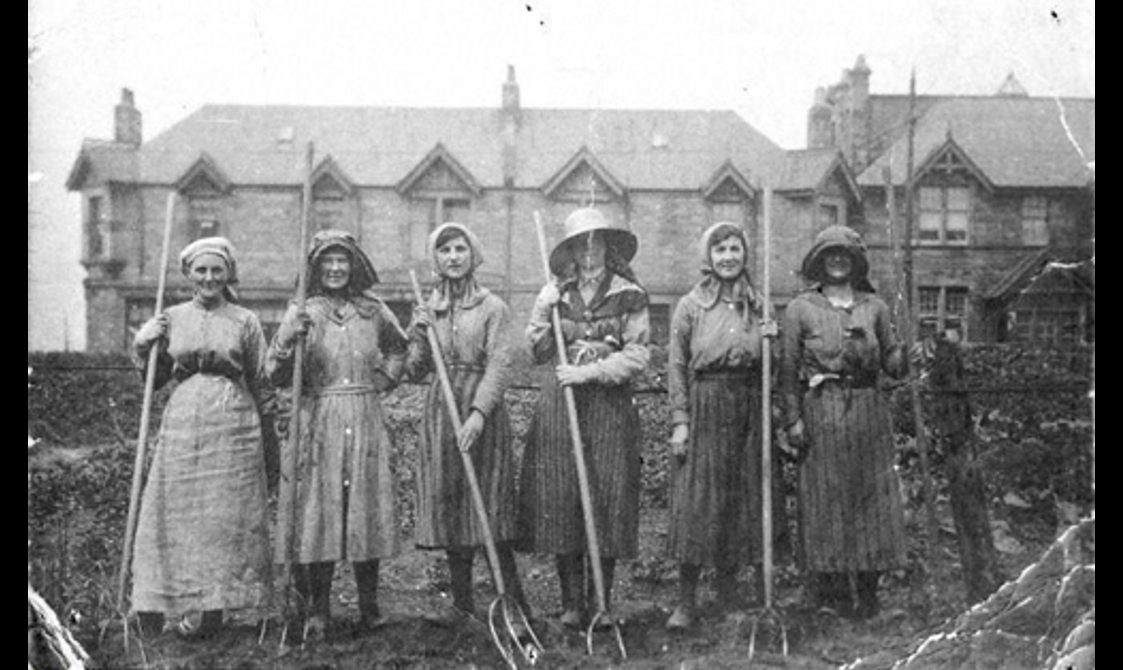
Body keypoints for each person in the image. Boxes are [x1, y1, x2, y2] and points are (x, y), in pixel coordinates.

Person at [130, 236, 274, 640]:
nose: (209, 278)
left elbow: (261, 381)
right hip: (183, 417)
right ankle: (154, 606)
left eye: (217, 270)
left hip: (234, 422)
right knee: (169, 509)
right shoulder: (170, 318)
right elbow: (153, 382)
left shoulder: (244, 320)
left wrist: (270, 432)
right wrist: (143, 346)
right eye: (201, 270)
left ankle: (214, 608)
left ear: (228, 273)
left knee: (224, 517)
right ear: (188, 275)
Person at [267, 230, 409, 638]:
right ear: (315, 266)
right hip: (318, 416)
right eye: (326, 261)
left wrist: (383, 380)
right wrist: (286, 339)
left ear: (354, 264)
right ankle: (317, 608)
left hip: (364, 414)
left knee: (367, 508)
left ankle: (369, 605)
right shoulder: (303, 311)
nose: (334, 268)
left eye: (342, 260)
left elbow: (399, 348)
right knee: (319, 512)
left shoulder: (374, 310)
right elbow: (274, 374)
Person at [518, 207, 651, 629]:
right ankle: (572, 603)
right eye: (581, 243)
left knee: (607, 498)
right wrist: (542, 311)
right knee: (563, 498)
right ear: (571, 250)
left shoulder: (630, 294)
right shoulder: (556, 294)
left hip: (609, 409)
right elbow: (537, 352)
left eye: (597, 241)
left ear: (609, 247)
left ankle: (602, 603)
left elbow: (638, 355)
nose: (590, 251)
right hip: (563, 406)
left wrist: (590, 371)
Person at [779, 225, 908, 620]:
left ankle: (867, 592)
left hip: (868, 413)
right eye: (830, 254)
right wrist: (793, 420)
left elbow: (893, 366)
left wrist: (906, 348)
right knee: (824, 499)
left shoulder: (876, 307)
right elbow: (786, 374)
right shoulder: (800, 308)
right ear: (818, 261)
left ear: (856, 262)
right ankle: (831, 593)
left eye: (845, 254)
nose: (837, 260)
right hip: (822, 410)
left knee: (870, 500)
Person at [405, 222, 530, 620]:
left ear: (472, 254)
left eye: (460, 249)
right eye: (445, 251)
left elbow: (500, 363)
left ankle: (514, 605)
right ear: (436, 259)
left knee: (491, 506)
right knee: (453, 507)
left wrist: (478, 413)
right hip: (441, 411)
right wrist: (418, 332)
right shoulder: (430, 308)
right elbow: (415, 369)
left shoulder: (493, 307)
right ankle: (462, 607)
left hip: (483, 413)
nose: (453, 257)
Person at [663, 222, 781, 630]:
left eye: (735, 248)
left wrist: (772, 341)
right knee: (699, 502)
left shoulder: (760, 303)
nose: (728, 256)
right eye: (720, 250)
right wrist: (681, 421)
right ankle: (686, 601)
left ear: (745, 254)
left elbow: (774, 369)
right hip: (705, 403)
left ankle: (729, 596)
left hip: (749, 404)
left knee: (742, 500)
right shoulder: (691, 306)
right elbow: (676, 367)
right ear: (708, 257)